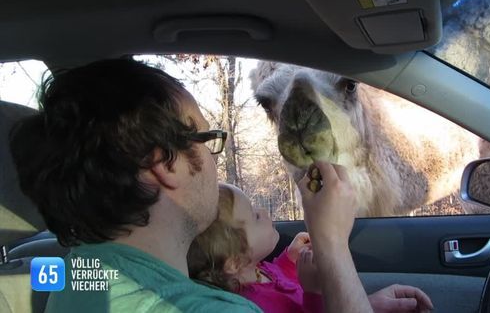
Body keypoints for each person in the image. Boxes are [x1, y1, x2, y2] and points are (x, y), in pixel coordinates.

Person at [9, 58, 427, 313]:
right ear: (163, 164)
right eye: (206, 140)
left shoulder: (83, 275)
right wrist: (332, 244)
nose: (214, 160)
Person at [188, 183, 434, 313]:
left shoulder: (257, 270)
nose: (263, 212)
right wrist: (314, 291)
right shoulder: (252, 305)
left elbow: (276, 278)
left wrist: (289, 261)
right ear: (234, 261)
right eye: (254, 216)